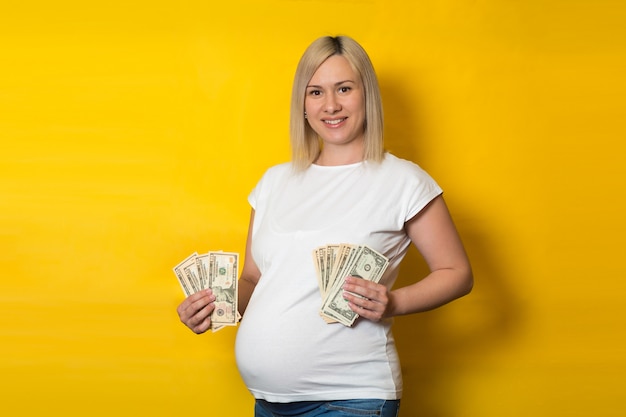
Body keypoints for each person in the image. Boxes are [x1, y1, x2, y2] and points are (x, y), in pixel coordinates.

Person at [177, 35, 473, 417]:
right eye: (315, 92)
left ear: (367, 95)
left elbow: (457, 273)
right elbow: (253, 279)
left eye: (344, 89)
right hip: (268, 403)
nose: (330, 105)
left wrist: (393, 301)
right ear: (302, 103)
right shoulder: (273, 182)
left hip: (350, 399)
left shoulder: (402, 180)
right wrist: (215, 304)